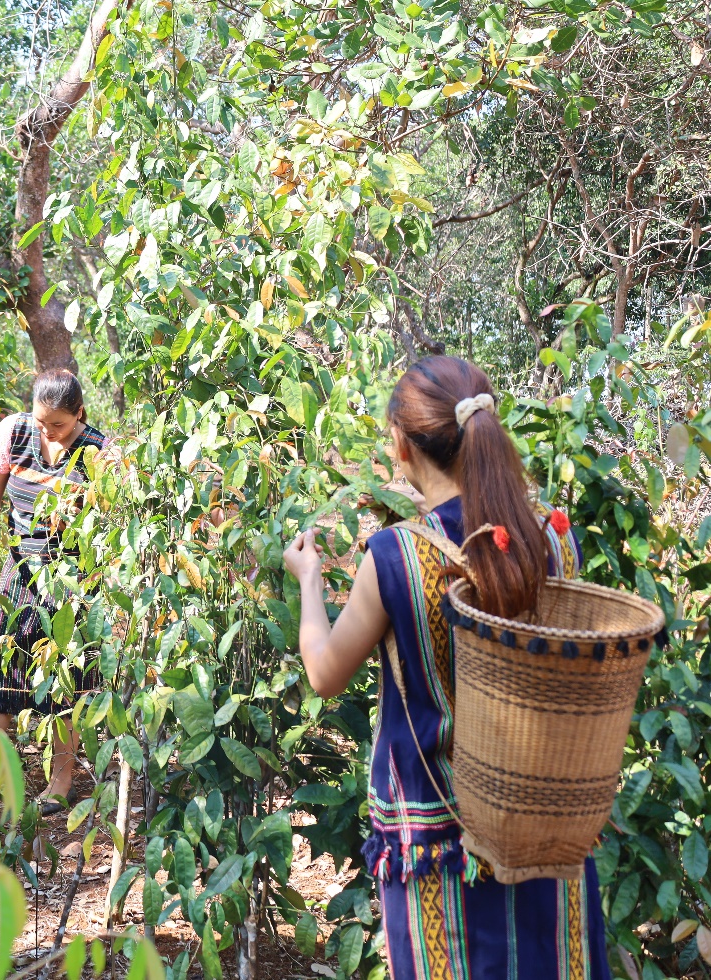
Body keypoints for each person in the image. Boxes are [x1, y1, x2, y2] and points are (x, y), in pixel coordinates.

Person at [282, 355, 607, 979]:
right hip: (544, 829)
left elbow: (325, 674)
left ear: (402, 446)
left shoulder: (396, 557)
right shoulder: (551, 539)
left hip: (436, 846)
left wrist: (309, 580)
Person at [0, 370, 110, 812]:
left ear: (79, 415)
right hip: (19, 566)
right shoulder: (14, 431)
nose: (48, 433)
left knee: (65, 683)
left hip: (73, 574)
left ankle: (60, 782)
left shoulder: (100, 453)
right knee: (2, 670)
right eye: (42, 421)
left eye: (59, 426)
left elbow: (112, 519)